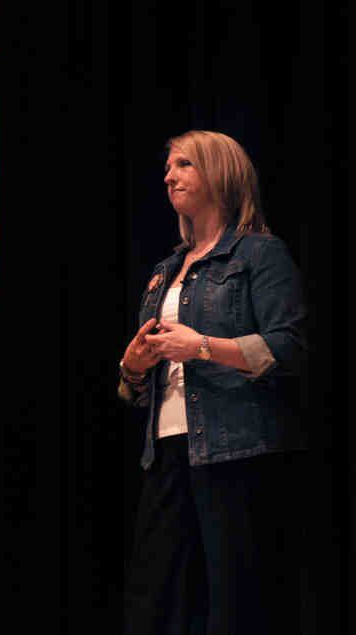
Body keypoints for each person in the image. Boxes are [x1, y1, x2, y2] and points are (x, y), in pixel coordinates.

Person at [118, 130, 307, 635]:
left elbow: (288, 347)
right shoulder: (164, 271)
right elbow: (138, 388)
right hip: (166, 452)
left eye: (184, 165)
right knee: (156, 603)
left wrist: (202, 346)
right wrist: (133, 367)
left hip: (235, 448)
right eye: (168, 168)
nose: (169, 177)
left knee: (234, 601)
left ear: (219, 173)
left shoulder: (258, 254)